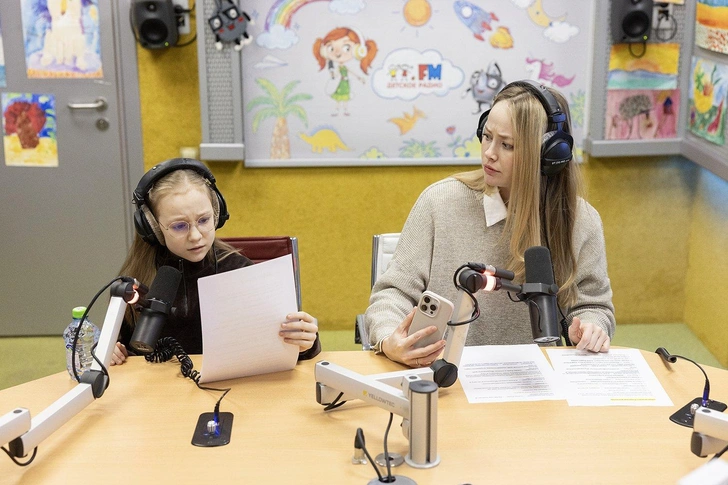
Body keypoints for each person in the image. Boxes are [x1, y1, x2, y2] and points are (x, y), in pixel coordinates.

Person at [365, 80, 615, 368]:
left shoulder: (581, 221)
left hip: (535, 380)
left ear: (549, 154)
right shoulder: (439, 202)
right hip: (443, 374)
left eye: (507, 145)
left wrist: (590, 328)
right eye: (487, 136)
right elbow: (392, 293)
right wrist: (389, 338)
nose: (489, 153)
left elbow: (593, 306)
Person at [110, 158, 320, 365]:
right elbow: (122, 347)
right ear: (153, 228)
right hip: (158, 385)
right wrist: (111, 351)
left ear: (217, 214)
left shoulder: (237, 270)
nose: (195, 236)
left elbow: (284, 346)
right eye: (179, 226)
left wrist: (306, 343)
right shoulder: (139, 281)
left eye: (203, 220)